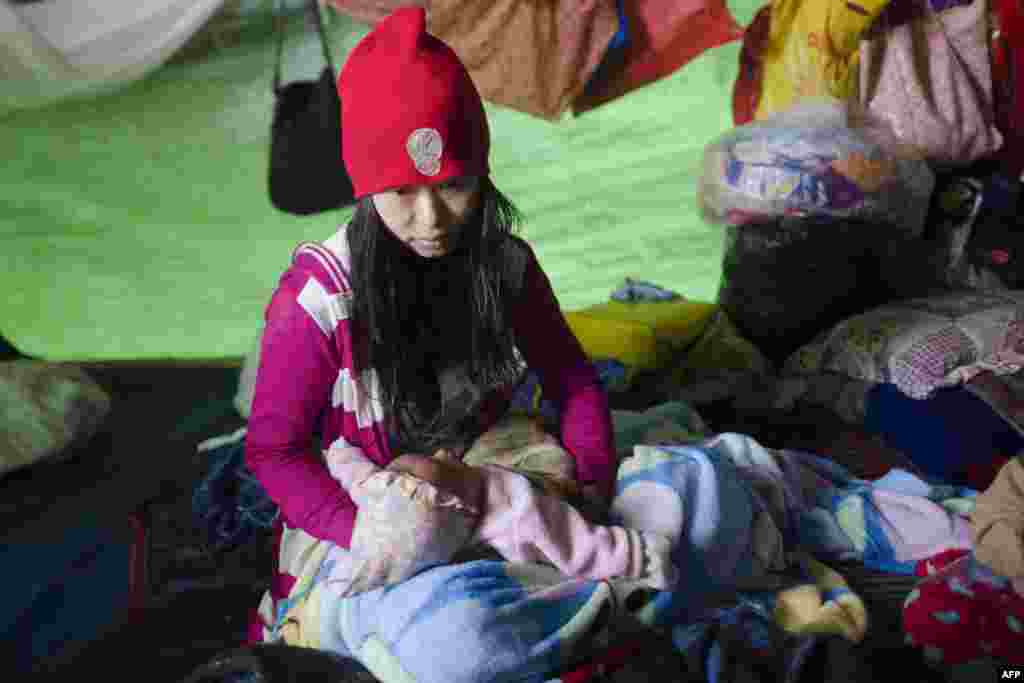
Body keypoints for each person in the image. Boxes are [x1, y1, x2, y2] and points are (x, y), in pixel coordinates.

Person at [244, 5, 617, 643]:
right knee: (441, 629)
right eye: (401, 193)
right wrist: (371, 532)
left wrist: (594, 484)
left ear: (483, 173)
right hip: (363, 500)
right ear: (365, 190)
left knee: (591, 565)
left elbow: (571, 377)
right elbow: (274, 452)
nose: (431, 218)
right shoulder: (314, 304)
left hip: (476, 468)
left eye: (454, 186)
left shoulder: (504, 266)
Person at [321, 442, 676, 597]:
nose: (444, 452)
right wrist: (642, 556)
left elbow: (359, 476)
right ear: (459, 507)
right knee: (566, 485)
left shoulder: (381, 495)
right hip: (553, 498)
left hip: (507, 475)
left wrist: (338, 453)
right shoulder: (519, 516)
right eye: (445, 465)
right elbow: (579, 548)